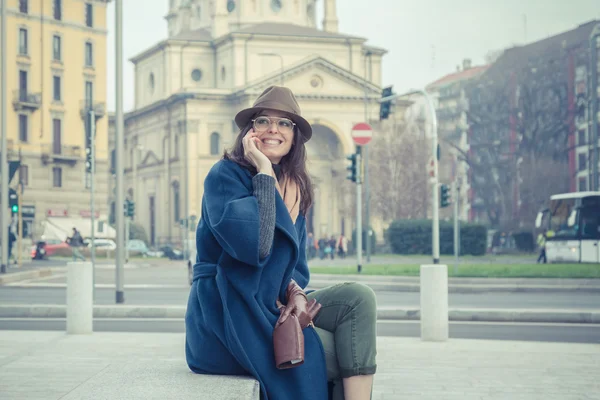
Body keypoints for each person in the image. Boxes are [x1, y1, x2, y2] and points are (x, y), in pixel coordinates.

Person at [185, 86, 377, 400]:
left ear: (294, 135)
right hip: (227, 314)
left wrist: (294, 294)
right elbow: (254, 247)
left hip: (271, 304)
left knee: (358, 298)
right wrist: (263, 173)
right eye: (263, 121)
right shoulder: (224, 176)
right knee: (341, 351)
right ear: (249, 132)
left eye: (285, 123)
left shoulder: (296, 186)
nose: (274, 129)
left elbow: (296, 267)